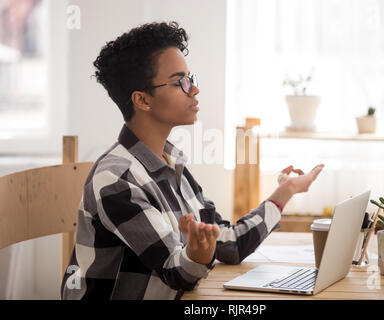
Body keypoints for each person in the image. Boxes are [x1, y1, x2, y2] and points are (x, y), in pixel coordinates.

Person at [60, 21, 324, 300]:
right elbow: (177, 272)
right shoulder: (117, 179)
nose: (194, 90)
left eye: (191, 78)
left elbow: (230, 244)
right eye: (180, 82)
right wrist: (197, 255)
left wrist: (286, 191)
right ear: (142, 100)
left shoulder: (171, 164)